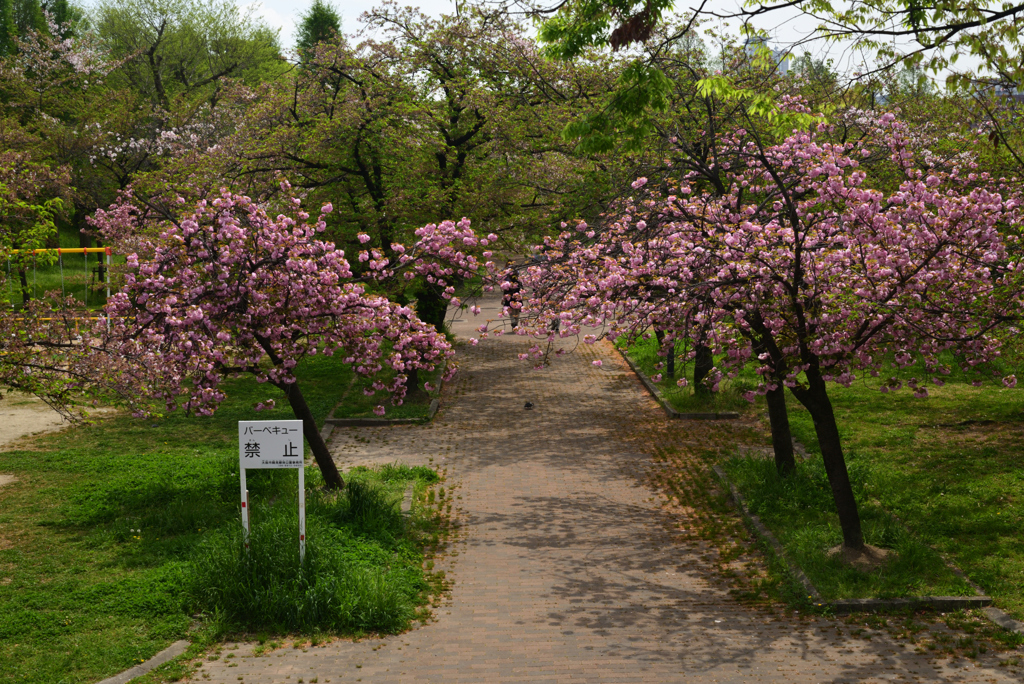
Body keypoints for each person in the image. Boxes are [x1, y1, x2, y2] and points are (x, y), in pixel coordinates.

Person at [501, 263, 521, 329]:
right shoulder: (518, 282)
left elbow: (505, 291)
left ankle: (513, 322)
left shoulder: (507, 283)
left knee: (511, 311)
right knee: (516, 311)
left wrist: (503, 298)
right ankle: (515, 323)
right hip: (517, 298)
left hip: (509, 298)